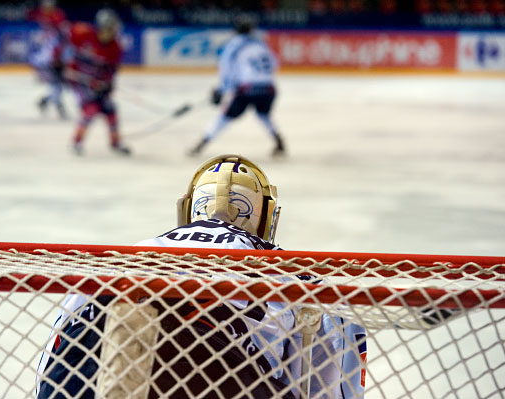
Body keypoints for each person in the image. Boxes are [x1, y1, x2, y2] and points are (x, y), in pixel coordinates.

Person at [35, 154, 366, 399]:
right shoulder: (298, 274)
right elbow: (333, 375)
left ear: (187, 208)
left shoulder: (126, 257)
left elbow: (61, 347)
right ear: (268, 218)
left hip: (110, 378)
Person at [189, 16, 286, 157]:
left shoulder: (233, 45)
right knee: (263, 114)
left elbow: (227, 69)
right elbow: (274, 64)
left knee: (224, 117)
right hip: (268, 88)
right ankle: (279, 142)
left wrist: (221, 90)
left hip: (247, 89)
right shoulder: (260, 44)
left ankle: (201, 144)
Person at [64, 9, 130, 156]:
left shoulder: (115, 47)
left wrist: (107, 84)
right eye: (111, 28)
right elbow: (62, 40)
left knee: (110, 109)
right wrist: (59, 62)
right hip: (77, 80)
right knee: (91, 109)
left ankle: (115, 142)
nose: (113, 32)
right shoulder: (82, 34)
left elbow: (111, 70)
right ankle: (76, 142)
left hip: (96, 83)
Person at [27, 0, 68, 119]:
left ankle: (46, 102)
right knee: (56, 83)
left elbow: (61, 39)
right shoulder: (46, 18)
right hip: (50, 58)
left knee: (58, 83)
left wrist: (58, 57)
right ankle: (54, 104)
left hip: (56, 57)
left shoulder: (57, 19)